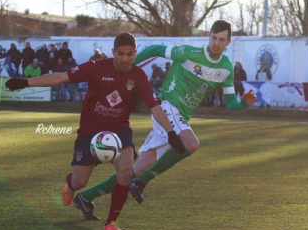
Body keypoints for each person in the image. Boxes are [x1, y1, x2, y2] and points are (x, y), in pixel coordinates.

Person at [4, 32, 185, 230]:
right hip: (90, 132)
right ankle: (71, 185)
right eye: (120, 54)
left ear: (135, 53)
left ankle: (111, 223)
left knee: (126, 172)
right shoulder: (96, 67)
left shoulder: (138, 76)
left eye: (129, 54)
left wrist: (171, 133)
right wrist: (26, 82)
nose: (125, 59)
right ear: (113, 52)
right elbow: (61, 77)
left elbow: (155, 107)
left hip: (119, 131)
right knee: (80, 182)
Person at [74, 20, 257, 219]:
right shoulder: (187, 52)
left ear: (228, 43)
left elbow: (230, 103)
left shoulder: (226, 68)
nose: (216, 43)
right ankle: (142, 182)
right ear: (208, 37)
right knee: (191, 144)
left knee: (138, 169)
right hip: (167, 107)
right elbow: (155, 49)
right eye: (213, 38)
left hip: (180, 116)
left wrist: (244, 103)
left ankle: (85, 197)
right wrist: (128, 67)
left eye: (222, 40)